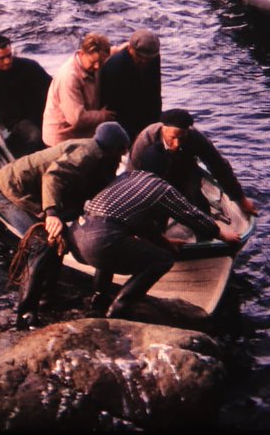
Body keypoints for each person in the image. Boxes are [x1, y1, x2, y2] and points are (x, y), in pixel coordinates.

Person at [68, 145, 241, 319]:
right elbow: (190, 215)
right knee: (162, 260)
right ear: (166, 169)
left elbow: (141, 224)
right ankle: (119, 308)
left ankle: (99, 299)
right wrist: (220, 234)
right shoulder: (160, 187)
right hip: (101, 240)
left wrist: (164, 241)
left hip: (77, 235)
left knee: (110, 251)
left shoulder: (126, 177)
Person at [0, 121, 130, 329]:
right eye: (121, 152)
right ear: (112, 148)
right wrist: (51, 214)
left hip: (40, 194)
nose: (123, 157)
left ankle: (48, 298)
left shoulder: (105, 159)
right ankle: (25, 313)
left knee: (60, 241)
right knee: (41, 244)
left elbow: (102, 189)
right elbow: (53, 177)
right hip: (11, 190)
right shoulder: (86, 154)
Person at [129, 108, 257, 219]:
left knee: (197, 201)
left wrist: (240, 199)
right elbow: (131, 176)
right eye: (172, 138)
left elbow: (219, 167)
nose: (177, 144)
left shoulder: (196, 138)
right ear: (163, 130)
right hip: (152, 177)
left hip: (184, 170)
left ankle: (206, 233)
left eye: (182, 138)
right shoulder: (145, 139)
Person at [41, 32, 114, 147]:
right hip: (61, 140)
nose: (97, 67)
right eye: (93, 62)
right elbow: (77, 119)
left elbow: (111, 52)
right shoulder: (69, 77)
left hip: (80, 135)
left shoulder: (95, 61)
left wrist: (127, 47)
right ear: (82, 53)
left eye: (101, 62)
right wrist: (103, 116)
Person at [98, 28, 162, 142]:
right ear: (130, 49)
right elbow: (111, 107)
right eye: (139, 56)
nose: (144, 61)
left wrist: (154, 126)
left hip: (142, 108)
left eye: (148, 58)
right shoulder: (114, 67)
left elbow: (155, 93)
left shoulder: (153, 58)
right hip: (121, 115)